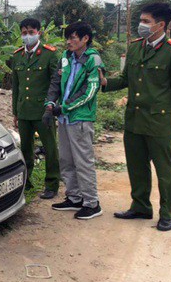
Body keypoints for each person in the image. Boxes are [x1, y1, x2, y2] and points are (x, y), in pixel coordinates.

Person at [101, 2, 171, 231]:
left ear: (160, 25)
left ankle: (168, 213)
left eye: (146, 21)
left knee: (164, 169)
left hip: (159, 121)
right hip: (134, 119)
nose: (141, 25)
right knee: (136, 166)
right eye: (141, 20)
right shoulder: (135, 47)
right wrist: (103, 83)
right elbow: (125, 80)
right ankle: (140, 206)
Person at [44, 21, 104, 220]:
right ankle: (74, 197)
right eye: (67, 38)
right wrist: (50, 104)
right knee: (66, 160)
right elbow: (55, 81)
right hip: (64, 118)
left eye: (73, 38)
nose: (68, 41)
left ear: (85, 39)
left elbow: (90, 91)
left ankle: (91, 202)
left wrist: (66, 106)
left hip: (80, 118)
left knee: (83, 161)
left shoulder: (93, 60)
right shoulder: (66, 57)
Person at [11, 18, 61, 199]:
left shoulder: (49, 54)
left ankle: (52, 183)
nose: (27, 36)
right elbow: (15, 87)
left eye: (31, 32)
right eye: (24, 33)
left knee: (50, 148)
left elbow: (56, 84)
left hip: (43, 111)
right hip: (24, 110)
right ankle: (27, 181)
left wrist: (53, 107)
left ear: (39, 33)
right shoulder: (17, 56)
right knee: (25, 148)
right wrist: (15, 112)